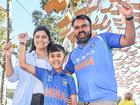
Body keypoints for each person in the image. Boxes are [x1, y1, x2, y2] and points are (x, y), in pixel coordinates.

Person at [65, 2, 135, 105]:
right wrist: (70, 93)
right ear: (74, 31)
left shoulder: (103, 38)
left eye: (84, 26)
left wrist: (129, 18)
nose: (81, 30)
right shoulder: (73, 54)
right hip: (82, 102)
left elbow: (129, 40)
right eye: (77, 27)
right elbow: (66, 74)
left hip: (105, 100)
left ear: (90, 27)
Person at [18, 32, 77, 105]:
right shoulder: (44, 74)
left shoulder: (70, 79)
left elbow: (74, 102)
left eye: (59, 55)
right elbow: (23, 64)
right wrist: (22, 43)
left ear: (64, 58)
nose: (55, 59)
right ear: (48, 60)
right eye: (52, 56)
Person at [4, 26, 53, 105]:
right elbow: (11, 77)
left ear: (49, 41)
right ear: (33, 40)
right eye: (37, 37)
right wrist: (8, 57)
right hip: (24, 101)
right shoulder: (25, 57)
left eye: (44, 37)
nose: (40, 39)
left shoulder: (54, 61)